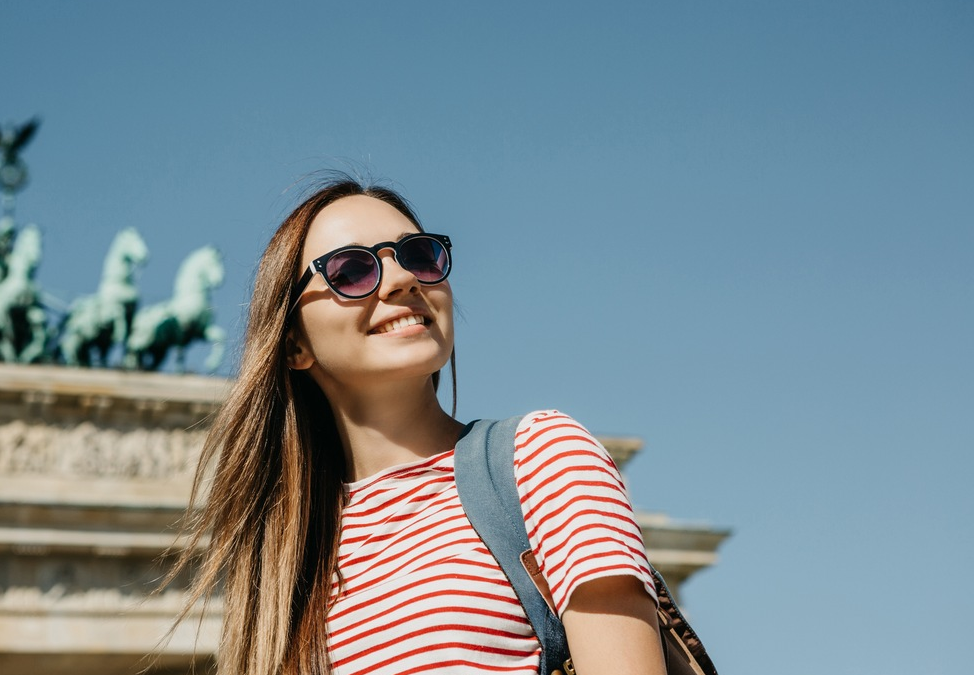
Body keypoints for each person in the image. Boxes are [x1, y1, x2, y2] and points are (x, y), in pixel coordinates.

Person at [162, 176, 665, 674]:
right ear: (294, 343)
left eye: (419, 256)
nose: (403, 280)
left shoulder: (542, 456)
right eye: (351, 270)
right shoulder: (284, 568)